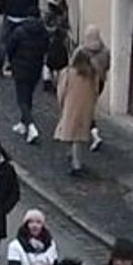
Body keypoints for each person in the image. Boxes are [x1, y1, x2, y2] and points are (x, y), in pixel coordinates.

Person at [3, 13, 50, 144]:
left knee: (22, 99)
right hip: (35, 69)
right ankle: (23, 123)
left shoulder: (19, 31)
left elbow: (10, 48)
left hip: (20, 68)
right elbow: (46, 49)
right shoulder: (43, 32)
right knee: (28, 96)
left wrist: (12, 62)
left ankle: (30, 125)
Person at [54, 47, 100, 176]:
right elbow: (96, 91)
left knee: (71, 134)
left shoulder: (68, 73)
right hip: (86, 108)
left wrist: (61, 103)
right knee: (78, 136)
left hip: (70, 106)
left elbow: (61, 91)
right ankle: (74, 158)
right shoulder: (93, 74)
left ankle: (76, 164)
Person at [4, 207, 78, 265]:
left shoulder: (50, 244)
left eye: (38, 222)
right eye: (31, 222)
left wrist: (68, 264)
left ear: (42, 226)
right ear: (26, 225)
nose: (34, 226)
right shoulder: (15, 246)